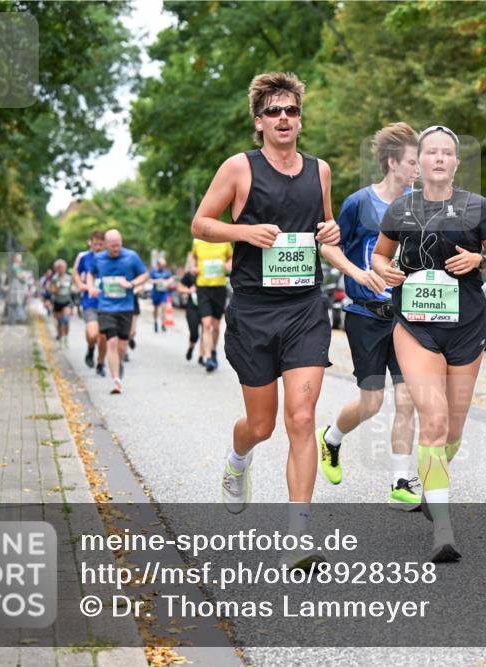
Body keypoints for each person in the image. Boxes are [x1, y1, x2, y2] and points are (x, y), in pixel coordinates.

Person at [190, 71, 340, 568]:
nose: (283, 118)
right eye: (273, 111)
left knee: (302, 418)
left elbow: (323, 235)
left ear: (300, 119)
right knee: (262, 425)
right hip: (254, 309)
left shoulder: (319, 170)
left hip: (305, 308)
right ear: (259, 121)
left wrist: (333, 234)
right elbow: (201, 224)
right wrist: (246, 232)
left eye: (291, 110)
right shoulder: (239, 168)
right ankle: (238, 460)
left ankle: (298, 536)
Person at [371, 125, 486, 562]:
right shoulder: (401, 207)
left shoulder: (477, 207)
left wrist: (480, 260)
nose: (437, 159)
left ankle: (432, 476)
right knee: (431, 420)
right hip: (415, 326)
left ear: (455, 162)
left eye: (445, 153)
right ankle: (443, 529)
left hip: (467, 326)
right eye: (430, 152)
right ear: (419, 159)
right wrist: (386, 271)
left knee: (452, 429)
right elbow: (379, 255)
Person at [316, 122, 420, 508]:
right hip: (364, 314)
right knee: (372, 402)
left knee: (407, 398)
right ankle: (332, 438)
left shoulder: (418, 206)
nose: (418, 169)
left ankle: (400, 481)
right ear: (393, 163)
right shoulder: (359, 203)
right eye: (412, 162)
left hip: (406, 317)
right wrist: (358, 273)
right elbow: (328, 247)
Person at [86, 229, 149, 395]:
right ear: (106, 245)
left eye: (119, 245)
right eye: (113, 246)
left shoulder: (131, 257)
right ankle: (116, 381)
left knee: (121, 347)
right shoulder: (98, 258)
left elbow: (144, 274)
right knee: (111, 342)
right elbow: (90, 274)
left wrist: (132, 283)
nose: (116, 249)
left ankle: (118, 364)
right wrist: (91, 287)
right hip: (106, 307)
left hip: (125, 308)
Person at [191, 238, 234, 371]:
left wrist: (229, 265)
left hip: (219, 287)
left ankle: (213, 351)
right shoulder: (197, 242)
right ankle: (208, 358)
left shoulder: (224, 241)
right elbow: (193, 259)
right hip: (203, 287)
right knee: (206, 323)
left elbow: (231, 258)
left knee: (216, 326)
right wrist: (193, 268)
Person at [73, 231, 107, 374]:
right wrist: (80, 284)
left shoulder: (109, 258)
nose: (98, 247)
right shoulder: (84, 257)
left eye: (101, 244)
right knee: (93, 334)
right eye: (95, 244)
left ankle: (100, 364)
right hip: (90, 301)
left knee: (104, 336)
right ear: (90, 243)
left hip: (106, 303)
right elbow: (75, 272)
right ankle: (90, 349)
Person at [176, 264, 203, 362]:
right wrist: (189, 290)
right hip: (192, 308)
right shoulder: (189, 275)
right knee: (194, 334)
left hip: (205, 307)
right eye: (194, 266)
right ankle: (191, 348)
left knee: (206, 331)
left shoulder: (205, 274)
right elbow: (179, 288)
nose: (196, 268)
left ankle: (202, 357)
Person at [49, 259, 74, 346]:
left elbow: (72, 289)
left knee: (66, 320)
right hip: (57, 301)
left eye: (63, 267)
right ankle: (60, 337)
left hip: (66, 301)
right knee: (60, 322)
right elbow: (52, 290)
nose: (61, 269)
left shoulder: (69, 277)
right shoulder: (54, 278)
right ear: (56, 269)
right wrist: (60, 286)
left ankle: (66, 337)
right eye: (59, 267)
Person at [149, 258, 174, 333]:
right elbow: (149, 280)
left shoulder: (166, 272)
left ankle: (163, 324)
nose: (162, 266)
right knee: (156, 308)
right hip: (156, 293)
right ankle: (155, 322)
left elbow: (171, 279)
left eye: (164, 265)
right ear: (158, 264)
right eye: (161, 265)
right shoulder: (153, 272)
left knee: (163, 308)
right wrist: (157, 281)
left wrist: (167, 282)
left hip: (164, 293)